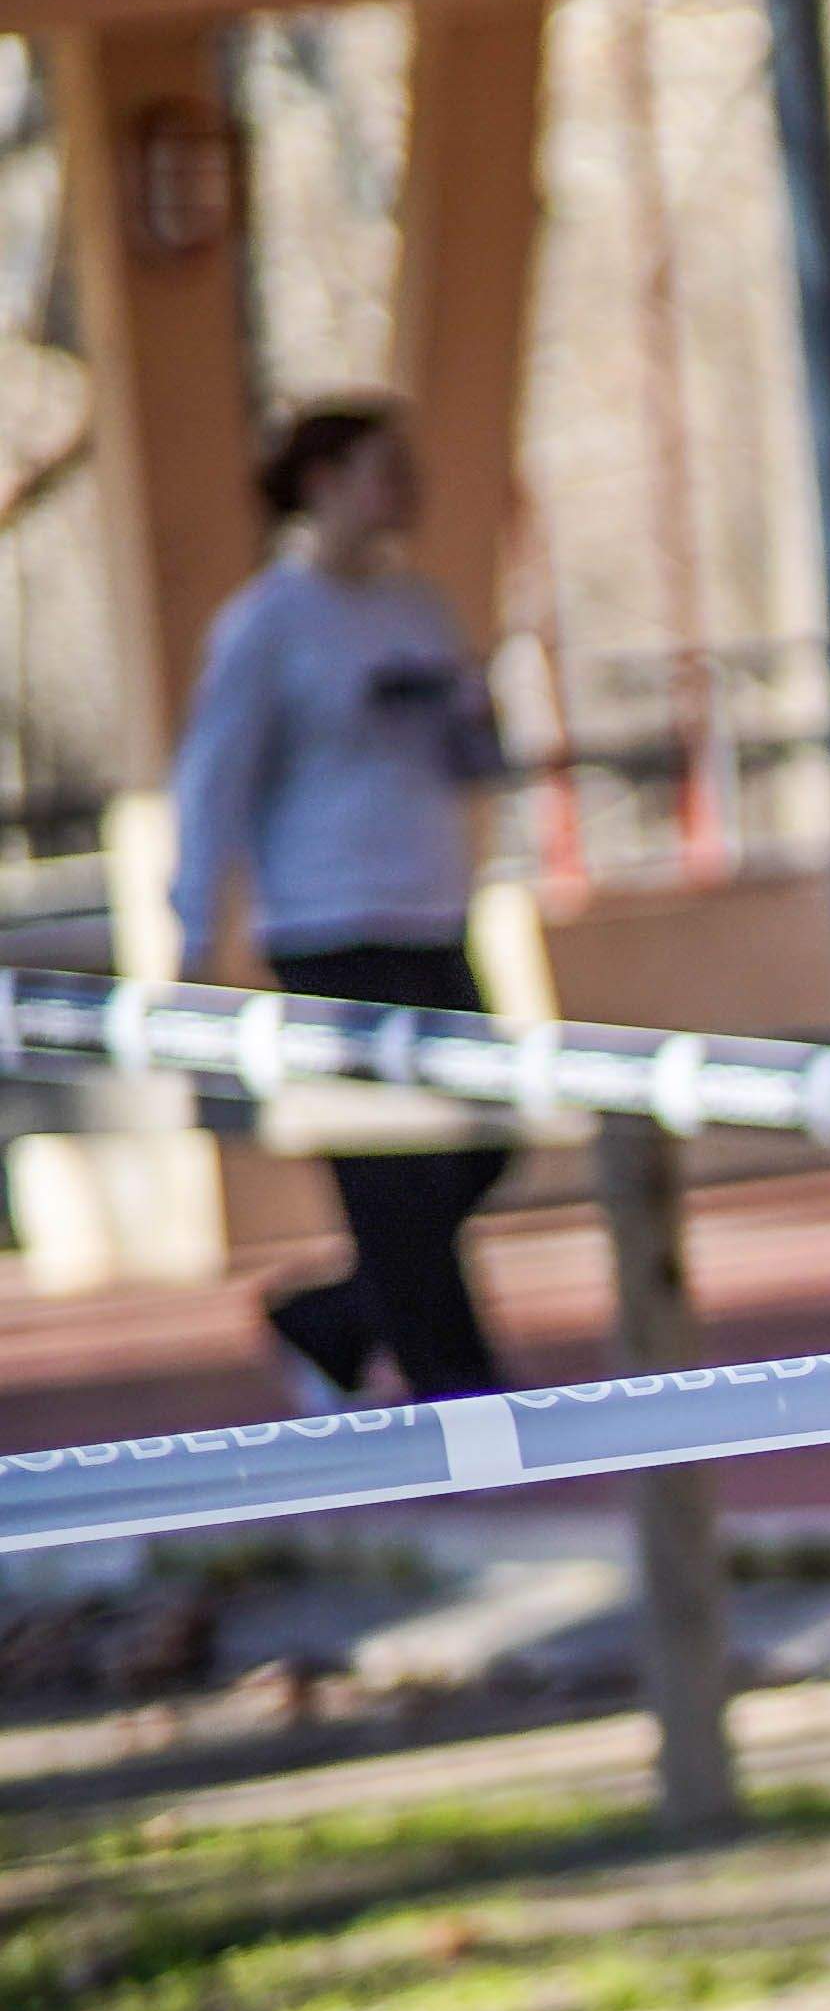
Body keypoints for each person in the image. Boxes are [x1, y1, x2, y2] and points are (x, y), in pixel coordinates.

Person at [165, 397, 515, 1406]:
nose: (406, 487)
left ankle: (327, 1319)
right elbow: (213, 776)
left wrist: (469, 719)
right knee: (385, 1167)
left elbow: (471, 758)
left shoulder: (419, 608)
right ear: (323, 484)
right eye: (383, 467)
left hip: (430, 905)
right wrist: (194, 926)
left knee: (484, 1136)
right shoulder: (267, 622)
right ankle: (456, 1382)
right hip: (326, 921)